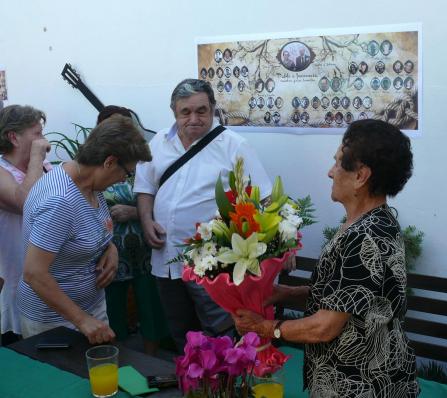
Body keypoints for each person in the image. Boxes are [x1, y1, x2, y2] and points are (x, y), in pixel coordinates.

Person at [233, 119, 419, 397]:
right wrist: (285, 293)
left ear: (361, 176)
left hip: (361, 385)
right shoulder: (377, 222)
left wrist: (264, 328)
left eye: (337, 163)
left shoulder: (363, 237)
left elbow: (324, 328)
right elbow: (348, 297)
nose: (330, 172)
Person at [134, 79, 272, 351]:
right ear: (174, 111)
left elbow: (262, 198)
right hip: (166, 259)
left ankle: (221, 387)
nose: (194, 119)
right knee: (180, 332)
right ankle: (191, 383)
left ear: (212, 110)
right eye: (186, 112)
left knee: (219, 332)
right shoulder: (158, 143)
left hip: (212, 263)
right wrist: (146, 219)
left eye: (202, 111)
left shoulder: (234, 145)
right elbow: (145, 189)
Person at [17, 115, 152, 344]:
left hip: (89, 309)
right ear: (109, 162)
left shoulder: (89, 184)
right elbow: (34, 273)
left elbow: (85, 229)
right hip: (56, 322)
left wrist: (110, 249)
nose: (122, 180)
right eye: (126, 173)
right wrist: (82, 320)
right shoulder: (60, 201)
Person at [97, 106, 170, 355]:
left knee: (151, 308)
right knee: (112, 310)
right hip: (108, 252)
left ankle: (151, 359)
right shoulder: (92, 164)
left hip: (146, 248)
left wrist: (134, 212)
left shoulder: (147, 160)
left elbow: (166, 203)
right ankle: (115, 358)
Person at [0, 105, 50, 345]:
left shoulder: (44, 168)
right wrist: (37, 158)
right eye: (37, 134)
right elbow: (28, 201)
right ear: (13, 137)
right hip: (17, 283)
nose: (43, 140)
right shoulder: (2, 171)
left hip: (49, 283)